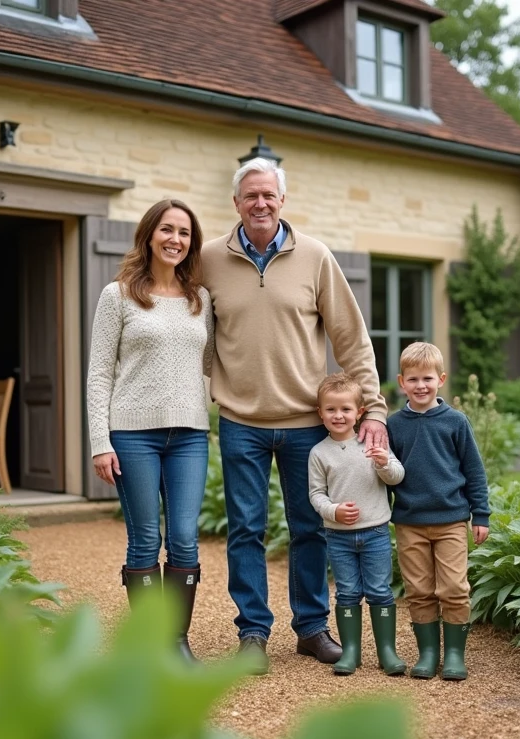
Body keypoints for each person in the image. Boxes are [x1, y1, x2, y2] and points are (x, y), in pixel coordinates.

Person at [201, 157, 388, 674]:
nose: (260, 203)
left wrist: (372, 406)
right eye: (250, 196)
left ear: (282, 200)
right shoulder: (209, 259)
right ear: (235, 202)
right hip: (242, 422)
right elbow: (190, 333)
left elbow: (351, 338)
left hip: (308, 424)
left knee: (309, 527)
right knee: (245, 529)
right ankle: (253, 633)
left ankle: (310, 628)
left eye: (269, 195)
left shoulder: (316, 257)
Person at [87, 198, 213, 662]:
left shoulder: (202, 300)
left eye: (183, 232)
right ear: (149, 234)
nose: (175, 239)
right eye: (167, 229)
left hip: (189, 437)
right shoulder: (117, 295)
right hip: (132, 435)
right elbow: (99, 372)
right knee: (144, 538)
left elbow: (210, 363)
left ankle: (177, 641)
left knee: (183, 535)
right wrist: (101, 442)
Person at [386, 342, 490, 681]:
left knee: (454, 588)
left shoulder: (456, 422)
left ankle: (455, 655)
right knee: (419, 590)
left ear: (441, 379)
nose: (420, 386)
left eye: (427, 378)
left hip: (450, 520)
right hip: (410, 523)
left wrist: (481, 515)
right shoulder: (394, 425)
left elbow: (474, 471)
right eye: (413, 379)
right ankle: (428, 653)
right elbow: (387, 474)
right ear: (402, 382)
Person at [307, 372, 407, 677]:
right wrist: (334, 511)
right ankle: (351, 651)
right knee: (347, 592)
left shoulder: (372, 443)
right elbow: (316, 494)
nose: (339, 416)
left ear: (359, 412)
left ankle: (386, 651)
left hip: (375, 532)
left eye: (346, 409)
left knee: (380, 591)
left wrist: (383, 463)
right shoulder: (318, 453)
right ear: (320, 413)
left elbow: (397, 475)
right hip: (338, 537)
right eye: (332, 410)